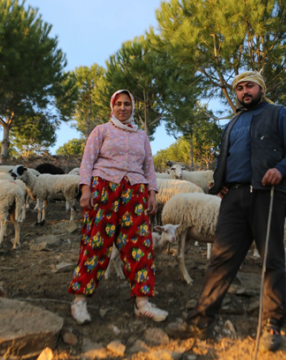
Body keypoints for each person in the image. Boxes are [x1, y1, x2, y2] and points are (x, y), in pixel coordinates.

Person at [166, 71, 286, 352]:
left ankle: (272, 325)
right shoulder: (232, 124)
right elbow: (225, 157)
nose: (244, 91)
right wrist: (220, 183)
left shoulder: (278, 114)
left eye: (249, 86)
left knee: (272, 260)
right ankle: (200, 321)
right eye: (239, 88)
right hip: (233, 199)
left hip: (267, 194)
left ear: (260, 89)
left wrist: (280, 170)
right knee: (221, 259)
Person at [68, 89, 168, 325]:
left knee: (140, 244)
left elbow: (148, 166)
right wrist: (85, 189)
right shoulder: (101, 130)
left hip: (135, 192)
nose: (123, 108)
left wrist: (152, 193)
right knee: (96, 243)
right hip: (104, 189)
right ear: (112, 107)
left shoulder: (141, 136)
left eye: (127, 104)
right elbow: (88, 160)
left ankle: (143, 304)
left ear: (133, 107)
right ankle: (79, 302)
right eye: (118, 104)